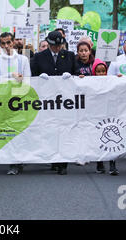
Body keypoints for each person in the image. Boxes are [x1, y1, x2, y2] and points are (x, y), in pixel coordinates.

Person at [31, 31, 79, 175]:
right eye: (54, 46)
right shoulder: (39, 57)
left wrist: (73, 76)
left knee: (64, 131)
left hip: (65, 102)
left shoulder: (69, 56)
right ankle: (53, 158)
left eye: (59, 46)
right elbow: (32, 76)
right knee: (50, 130)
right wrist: (40, 78)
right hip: (47, 101)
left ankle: (62, 162)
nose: (57, 49)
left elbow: (76, 72)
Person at [0, 32, 31, 175]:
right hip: (3, 100)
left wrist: (21, 80)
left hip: (19, 100)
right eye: (3, 43)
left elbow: (28, 80)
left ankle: (18, 160)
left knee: (19, 131)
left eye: (9, 42)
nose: (6, 46)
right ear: (0, 45)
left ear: (13, 42)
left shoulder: (23, 60)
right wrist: (10, 77)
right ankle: (12, 162)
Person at [91, 59, 120, 175]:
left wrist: (121, 79)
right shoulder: (90, 83)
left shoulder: (111, 82)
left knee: (112, 140)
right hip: (97, 115)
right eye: (98, 71)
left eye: (103, 71)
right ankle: (100, 163)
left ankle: (112, 164)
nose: (101, 74)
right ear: (94, 72)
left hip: (110, 114)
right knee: (99, 139)